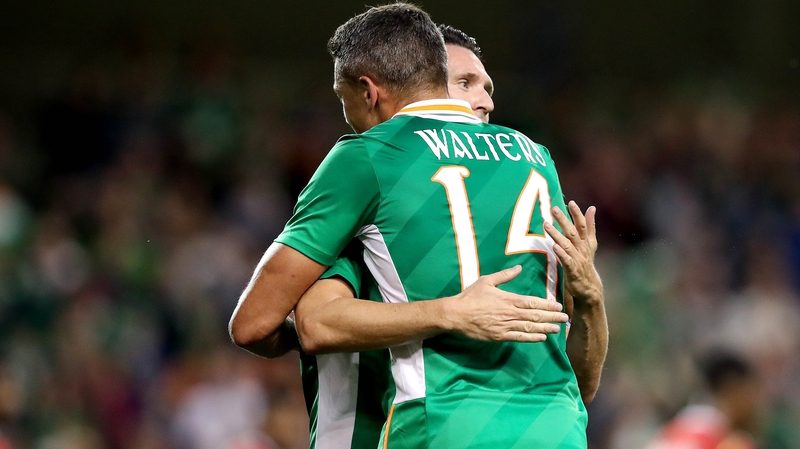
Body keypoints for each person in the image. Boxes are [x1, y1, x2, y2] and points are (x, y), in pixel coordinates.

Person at [230, 4, 606, 447]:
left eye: (342, 96)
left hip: (438, 424)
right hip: (556, 428)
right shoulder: (535, 158)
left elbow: (256, 324)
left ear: (367, 91)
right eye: (467, 82)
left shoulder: (368, 159)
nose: (485, 99)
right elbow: (579, 383)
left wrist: (448, 312)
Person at [646, 350, 763, 449]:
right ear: (734, 389)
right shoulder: (722, 439)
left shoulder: (677, 428)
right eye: (753, 392)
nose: (757, 404)